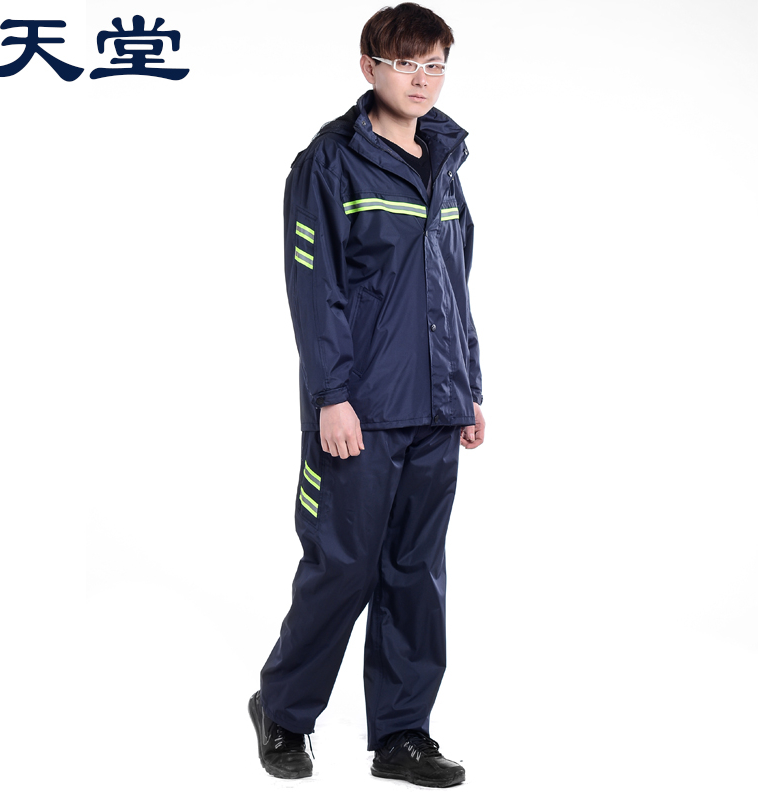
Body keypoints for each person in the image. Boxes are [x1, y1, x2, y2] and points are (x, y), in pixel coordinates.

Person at [248, 3, 484, 788]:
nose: (422, 79)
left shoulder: (443, 161)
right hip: (359, 409)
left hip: (435, 407)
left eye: (435, 64)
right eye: (405, 63)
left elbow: (453, 285)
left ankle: (402, 734)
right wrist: (331, 395)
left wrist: (468, 385)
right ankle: (284, 711)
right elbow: (314, 289)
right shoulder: (332, 162)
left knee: (416, 573)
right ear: (369, 68)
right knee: (342, 568)